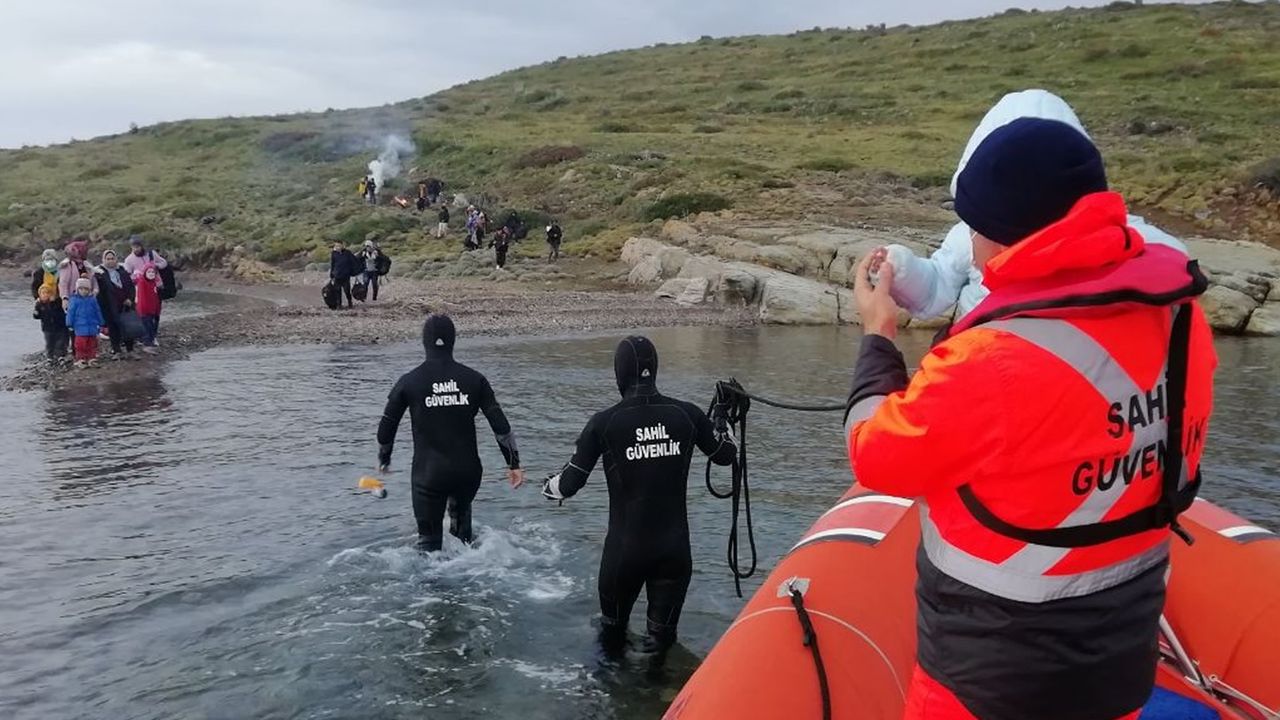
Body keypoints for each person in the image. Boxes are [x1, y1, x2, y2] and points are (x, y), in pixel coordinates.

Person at [845, 118, 1217, 720]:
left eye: (976, 225)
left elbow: (875, 453)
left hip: (987, 680)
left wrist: (878, 333)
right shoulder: (1182, 320)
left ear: (1002, 234)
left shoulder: (988, 358)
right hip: (1119, 667)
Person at [876, 89, 1187, 326]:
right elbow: (935, 287)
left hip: (1007, 371)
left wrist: (878, 341)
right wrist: (901, 269)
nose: (976, 234)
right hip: (983, 362)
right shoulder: (969, 235)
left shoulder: (1122, 241)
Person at [541, 337, 737, 653]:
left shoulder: (604, 422)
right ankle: (665, 696)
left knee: (611, 641)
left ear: (620, 373)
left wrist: (547, 487)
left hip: (624, 554)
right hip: (675, 553)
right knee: (662, 645)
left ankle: (615, 698)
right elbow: (726, 455)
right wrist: (722, 418)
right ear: (654, 370)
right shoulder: (686, 414)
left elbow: (568, 485)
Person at [377, 314, 525, 551]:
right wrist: (514, 464)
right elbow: (501, 426)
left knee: (428, 544)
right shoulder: (475, 379)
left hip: (428, 475)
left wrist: (384, 458)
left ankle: (435, 584)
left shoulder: (409, 381)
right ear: (453, 341)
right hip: (467, 473)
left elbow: (386, 428)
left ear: (424, 342)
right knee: (463, 535)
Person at [96, 250, 137, 358]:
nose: (110, 261)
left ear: (116, 259)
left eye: (112, 258)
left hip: (125, 304)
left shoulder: (122, 271)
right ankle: (117, 350)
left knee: (128, 326)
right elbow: (98, 291)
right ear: (103, 260)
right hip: (109, 305)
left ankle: (130, 350)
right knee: (113, 328)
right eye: (107, 259)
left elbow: (131, 287)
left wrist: (130, 299)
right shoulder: (99, 273)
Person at [66, 278, 105, 368]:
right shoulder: (74, 300)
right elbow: (70, 313)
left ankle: (92, 358)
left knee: (92, 343)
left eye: (86, 289)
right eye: (81, 289)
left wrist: (101, 321)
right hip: (80, 327)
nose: (84, 291)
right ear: (77, 289)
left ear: (89, 290)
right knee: (80, 344)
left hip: (92, 326)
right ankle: (81, 359)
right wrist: (69, 323)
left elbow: (97, 311)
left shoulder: (92, 300)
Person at [57, 239, 97, 311]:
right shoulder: (67, 265)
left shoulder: (87, 265)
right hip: (73, 300)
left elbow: (93, 281)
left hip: (88, 300)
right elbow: (63, 283)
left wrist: (95, 292)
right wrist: (65, 298)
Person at [33, 285, 67, 364]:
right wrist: (36, 310)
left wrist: (52, 302)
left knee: (60, 341)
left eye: (47, 293)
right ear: (40, 295)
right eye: (43, 293)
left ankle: (60, 355)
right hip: (47, 327)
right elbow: (36, 316)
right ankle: (49, 356)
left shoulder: (56, 302)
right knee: (49, 342)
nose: (45, 295)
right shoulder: (39, 305)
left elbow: (60, 312)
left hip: (59, 325)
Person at [133, 262, 163, 352]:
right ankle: (147, 344)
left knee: (151, 326)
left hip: (152, 310)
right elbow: (142, 298)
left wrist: (157, 309)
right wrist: (145, 310)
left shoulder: (153, 283)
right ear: (145, 273)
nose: (151, 274)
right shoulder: (142, 282)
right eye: (149, 272)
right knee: (147, 327)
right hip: (144, 310)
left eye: (153, 272)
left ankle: (150, 341)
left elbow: (156, 297)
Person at [329, 241, 359, 309]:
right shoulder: (334, 254)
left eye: (339, 246)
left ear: (342, 246)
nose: (338, 247)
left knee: (347, 290)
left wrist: (355, 271)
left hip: (345, 275)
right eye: (336, 246)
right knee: (337, 290)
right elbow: (332, 264)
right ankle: (339, 305)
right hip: (337, 274)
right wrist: (331, 275)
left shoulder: (347, 253)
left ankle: (350, 303)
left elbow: (354, 261)